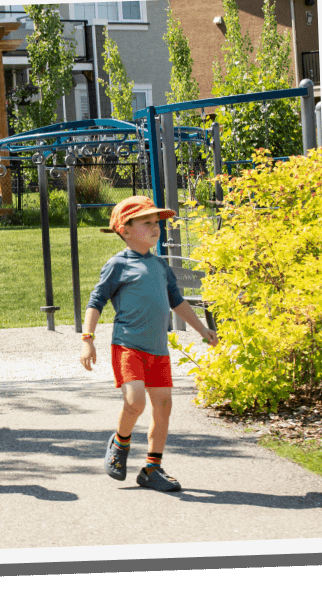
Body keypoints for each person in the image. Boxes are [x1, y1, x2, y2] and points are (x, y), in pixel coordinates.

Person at [80, 196, 219, 492]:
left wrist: (202, 329)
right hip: (128, 345)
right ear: (125, 230)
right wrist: (88, 339)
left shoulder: (160, 266)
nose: (155, 228)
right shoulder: (117, 265)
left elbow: (177, 302)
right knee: (135, 402)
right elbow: (96, 301)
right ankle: (120, 443)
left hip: (158, 350)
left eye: (156, 223)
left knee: (164, 406)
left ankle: (152, 469)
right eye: (147, 223)